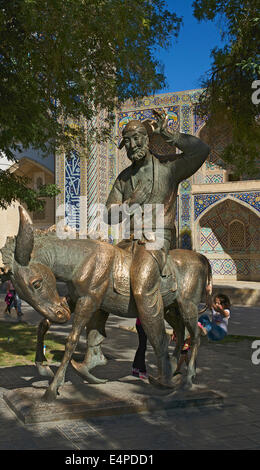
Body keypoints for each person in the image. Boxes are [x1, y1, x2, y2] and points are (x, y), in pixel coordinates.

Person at [106, 109, 210, 380]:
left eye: (138, 138)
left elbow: (201, 150)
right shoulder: (123, 179)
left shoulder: (167, 169)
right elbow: (108, 214)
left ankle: (162, 358)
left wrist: (170, 134)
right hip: (128, 241)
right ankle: (93, 349)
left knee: (141, 286)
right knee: (95, 277)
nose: (133, 145)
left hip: (156, 240)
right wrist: (130, 204)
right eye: (127, 141)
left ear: (148, 139)